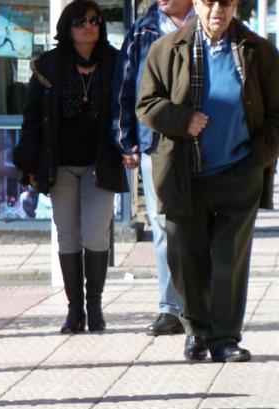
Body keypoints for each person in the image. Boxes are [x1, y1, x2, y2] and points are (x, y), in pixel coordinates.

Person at [136, 0, 279, 362]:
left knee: (229, 258)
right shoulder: (166, 49)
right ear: (196, 4)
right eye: (210, 2)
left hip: (238, 171)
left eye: (227, 3)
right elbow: (147, 103)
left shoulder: (256, 50)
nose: (218, 10)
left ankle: (224, 337)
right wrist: (181, 118)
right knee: (187, 255)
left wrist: (259, 158)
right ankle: (195, 330)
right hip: (185, 172)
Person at [13, 0, 128, 334]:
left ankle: (95, 306)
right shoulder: (48, 66)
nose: (88, 26)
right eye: (80, 21)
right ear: (68, 27)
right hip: (60, 165)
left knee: (95, 232)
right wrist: (29, 162)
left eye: (94, 20)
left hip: (100, 164)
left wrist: (129, 144)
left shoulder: (115, 62)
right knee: (68, 236)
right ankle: (74, 310)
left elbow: (128, 109)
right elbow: (32, 118)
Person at [113, 0, 193, 337]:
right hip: (155, 141)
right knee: (163, 227)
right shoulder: (143, 30)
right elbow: (125, 85)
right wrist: (126, 138)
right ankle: (170, 308)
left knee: (205, 224)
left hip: (204, 140)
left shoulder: (209, 24)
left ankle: (204, 306)